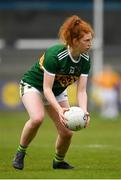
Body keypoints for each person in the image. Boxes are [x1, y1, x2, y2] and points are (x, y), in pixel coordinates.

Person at [12, 15, 94, 170]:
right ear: (75, 41)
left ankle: (58, 161)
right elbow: (46, 89)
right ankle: (20, 152)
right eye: (87, 40)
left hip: (56, 91)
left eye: (90, 40)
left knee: (67, 132)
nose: (90, 44)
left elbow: (81, 90)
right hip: (34, 86)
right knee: (37, 118)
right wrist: (59, 110)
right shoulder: (55, 54)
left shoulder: (85, 60)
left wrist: (84, 111)